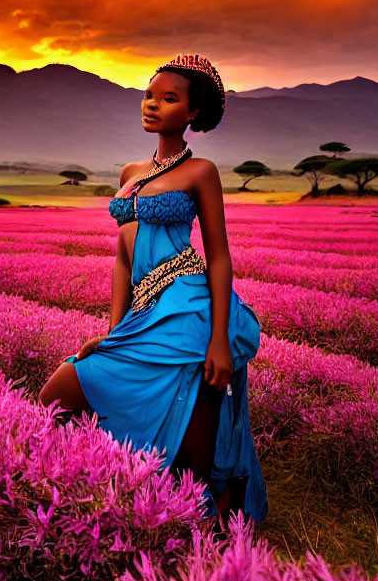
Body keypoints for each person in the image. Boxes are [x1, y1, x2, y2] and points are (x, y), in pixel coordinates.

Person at [38, 53, 268, 534]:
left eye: (169, 99)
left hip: (188, 307)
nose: (152, 104)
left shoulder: (201, 171)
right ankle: (94, 496)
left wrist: (220, 339)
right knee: (59, 391)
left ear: (192, 114)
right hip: (144, 312)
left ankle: (208, 530)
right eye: (149, 94)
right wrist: (112, 331)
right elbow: (123, 258)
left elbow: (219, 256)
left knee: (194, 449)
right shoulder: (130, 172)